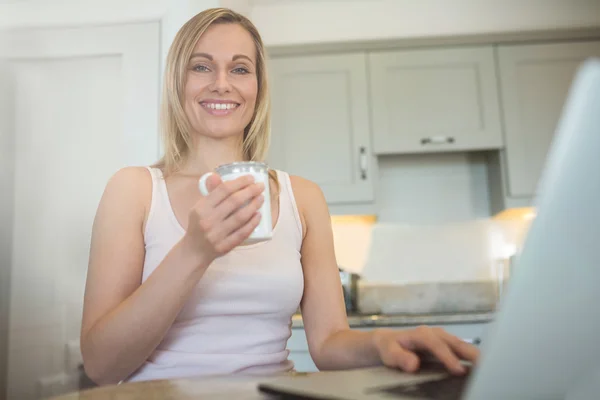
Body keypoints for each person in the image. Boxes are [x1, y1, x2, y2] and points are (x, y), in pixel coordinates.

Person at [80, 7, 479, 385]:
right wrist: (195, 251)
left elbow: (327, 344)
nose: (222, 82)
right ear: (176, 82)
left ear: (258, 87)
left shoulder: (302, 198)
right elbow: (101, 365)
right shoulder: (134, 190)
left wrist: (381, 343)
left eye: (240, 68)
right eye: (201, 66)